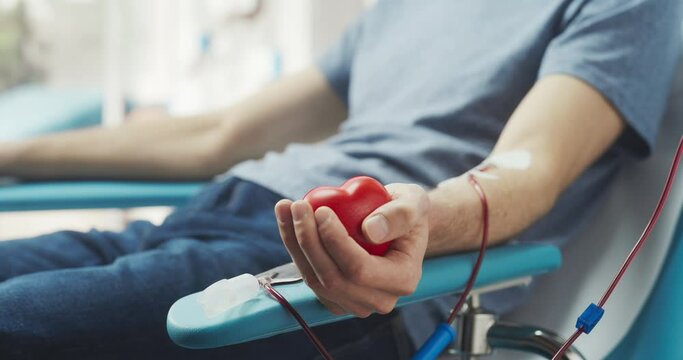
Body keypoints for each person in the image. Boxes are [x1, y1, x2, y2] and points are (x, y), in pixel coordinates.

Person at [1, 0, 681, 359]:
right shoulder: (401, 9)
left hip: (318, 272)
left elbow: (530, 169)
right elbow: (221, 135)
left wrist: (418, 218)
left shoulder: (629, 5)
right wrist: (14, 153)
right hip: (205, 216)